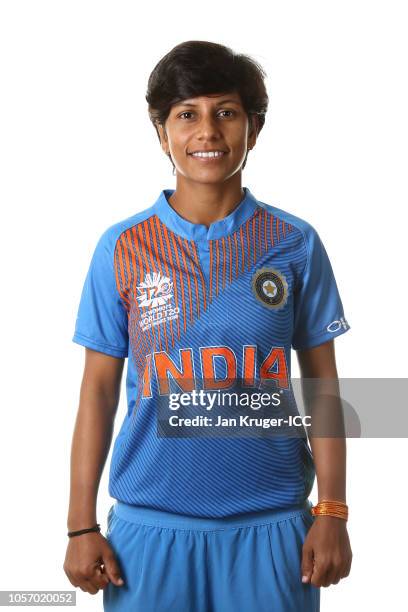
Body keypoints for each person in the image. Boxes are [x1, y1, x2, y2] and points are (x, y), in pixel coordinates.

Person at [63, 40, 353, 612]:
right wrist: (80, 526)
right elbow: (97, 390)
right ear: (161, 129)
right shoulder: (122, 247)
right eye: (187, 114)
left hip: (273, 527)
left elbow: (323, 389)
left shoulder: (295, 244)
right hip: (150, 531)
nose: (208, 132)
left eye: (226, 112)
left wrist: (333, 512)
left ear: (255, 126)